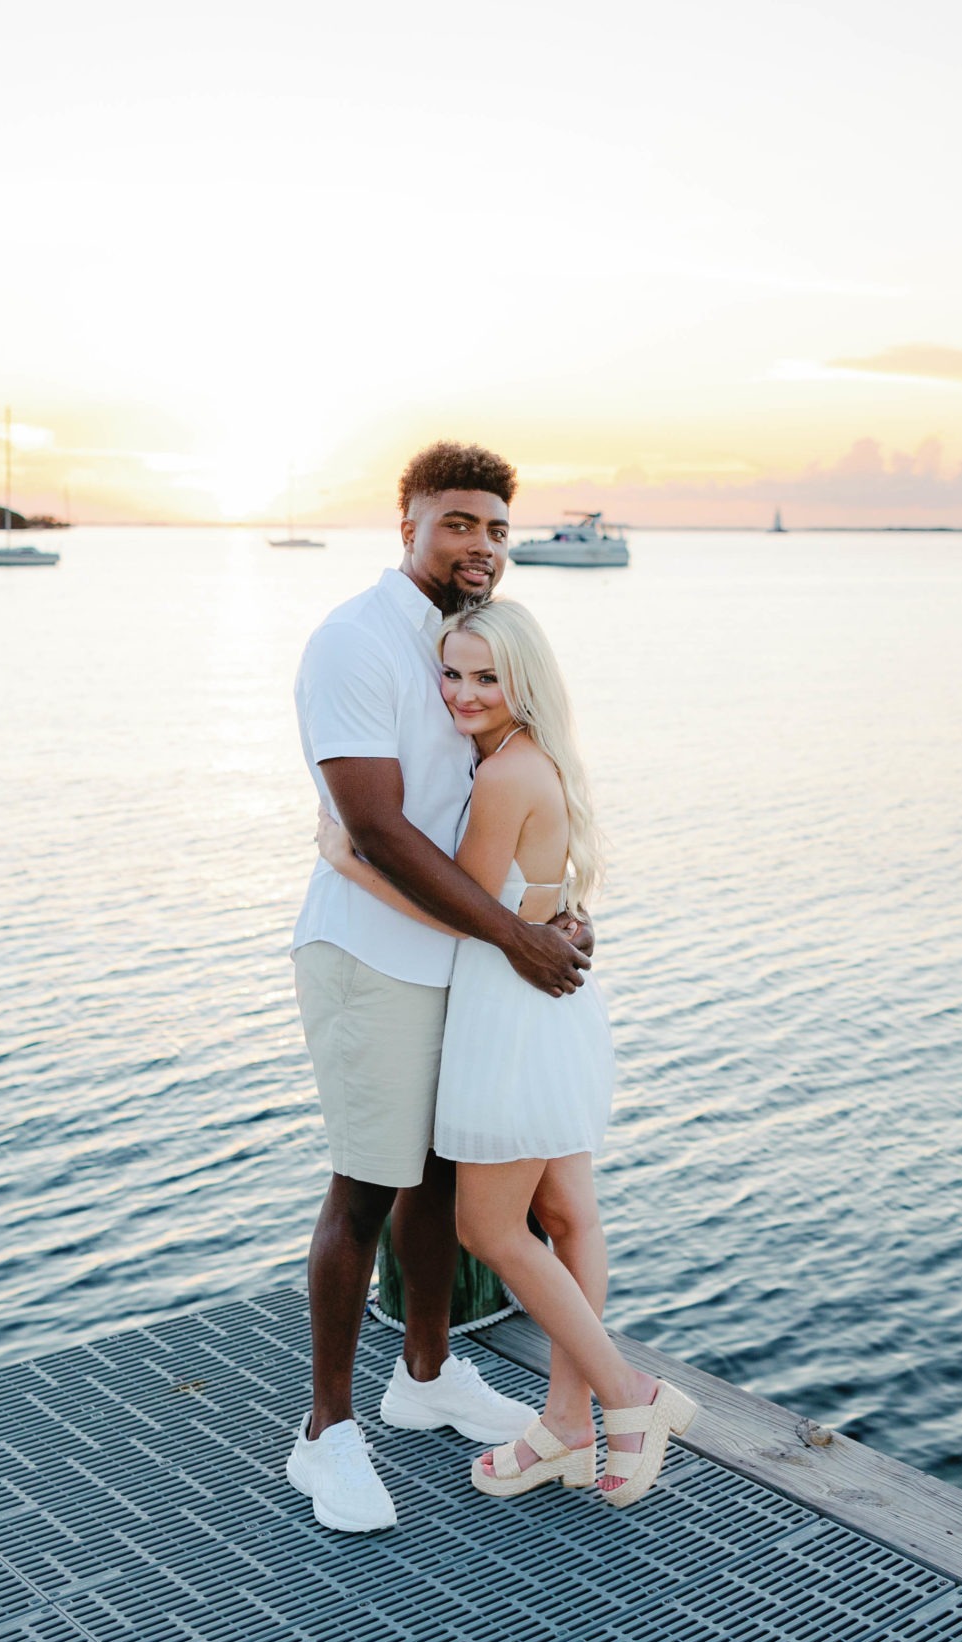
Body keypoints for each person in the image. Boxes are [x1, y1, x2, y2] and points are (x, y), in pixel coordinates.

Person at [317, 600, 700, 1507]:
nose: (462, 694)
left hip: (510, 1019)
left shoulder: (503, 778)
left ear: (524, 679)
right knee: (568, 1214)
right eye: (450, 673)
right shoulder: (540, 761)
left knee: (491, 1229)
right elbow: (522, 903)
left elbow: (465, 910)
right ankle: (568, 1424)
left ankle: (627, 1396)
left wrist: (350, 860)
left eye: (486, 676)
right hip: (552, 1015)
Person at [283, 441, 593, 1532]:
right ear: (406, 523)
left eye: (497, 528)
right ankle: (324, 1436)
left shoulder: (464, 644)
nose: (480, 545)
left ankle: (423, 1377)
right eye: (456, 522)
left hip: (458, 959)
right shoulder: (356, 641)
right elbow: (371, 825)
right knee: (363, 1187)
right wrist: (514, 934)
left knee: (433, 1183)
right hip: (371, 957)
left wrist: (548, 908)